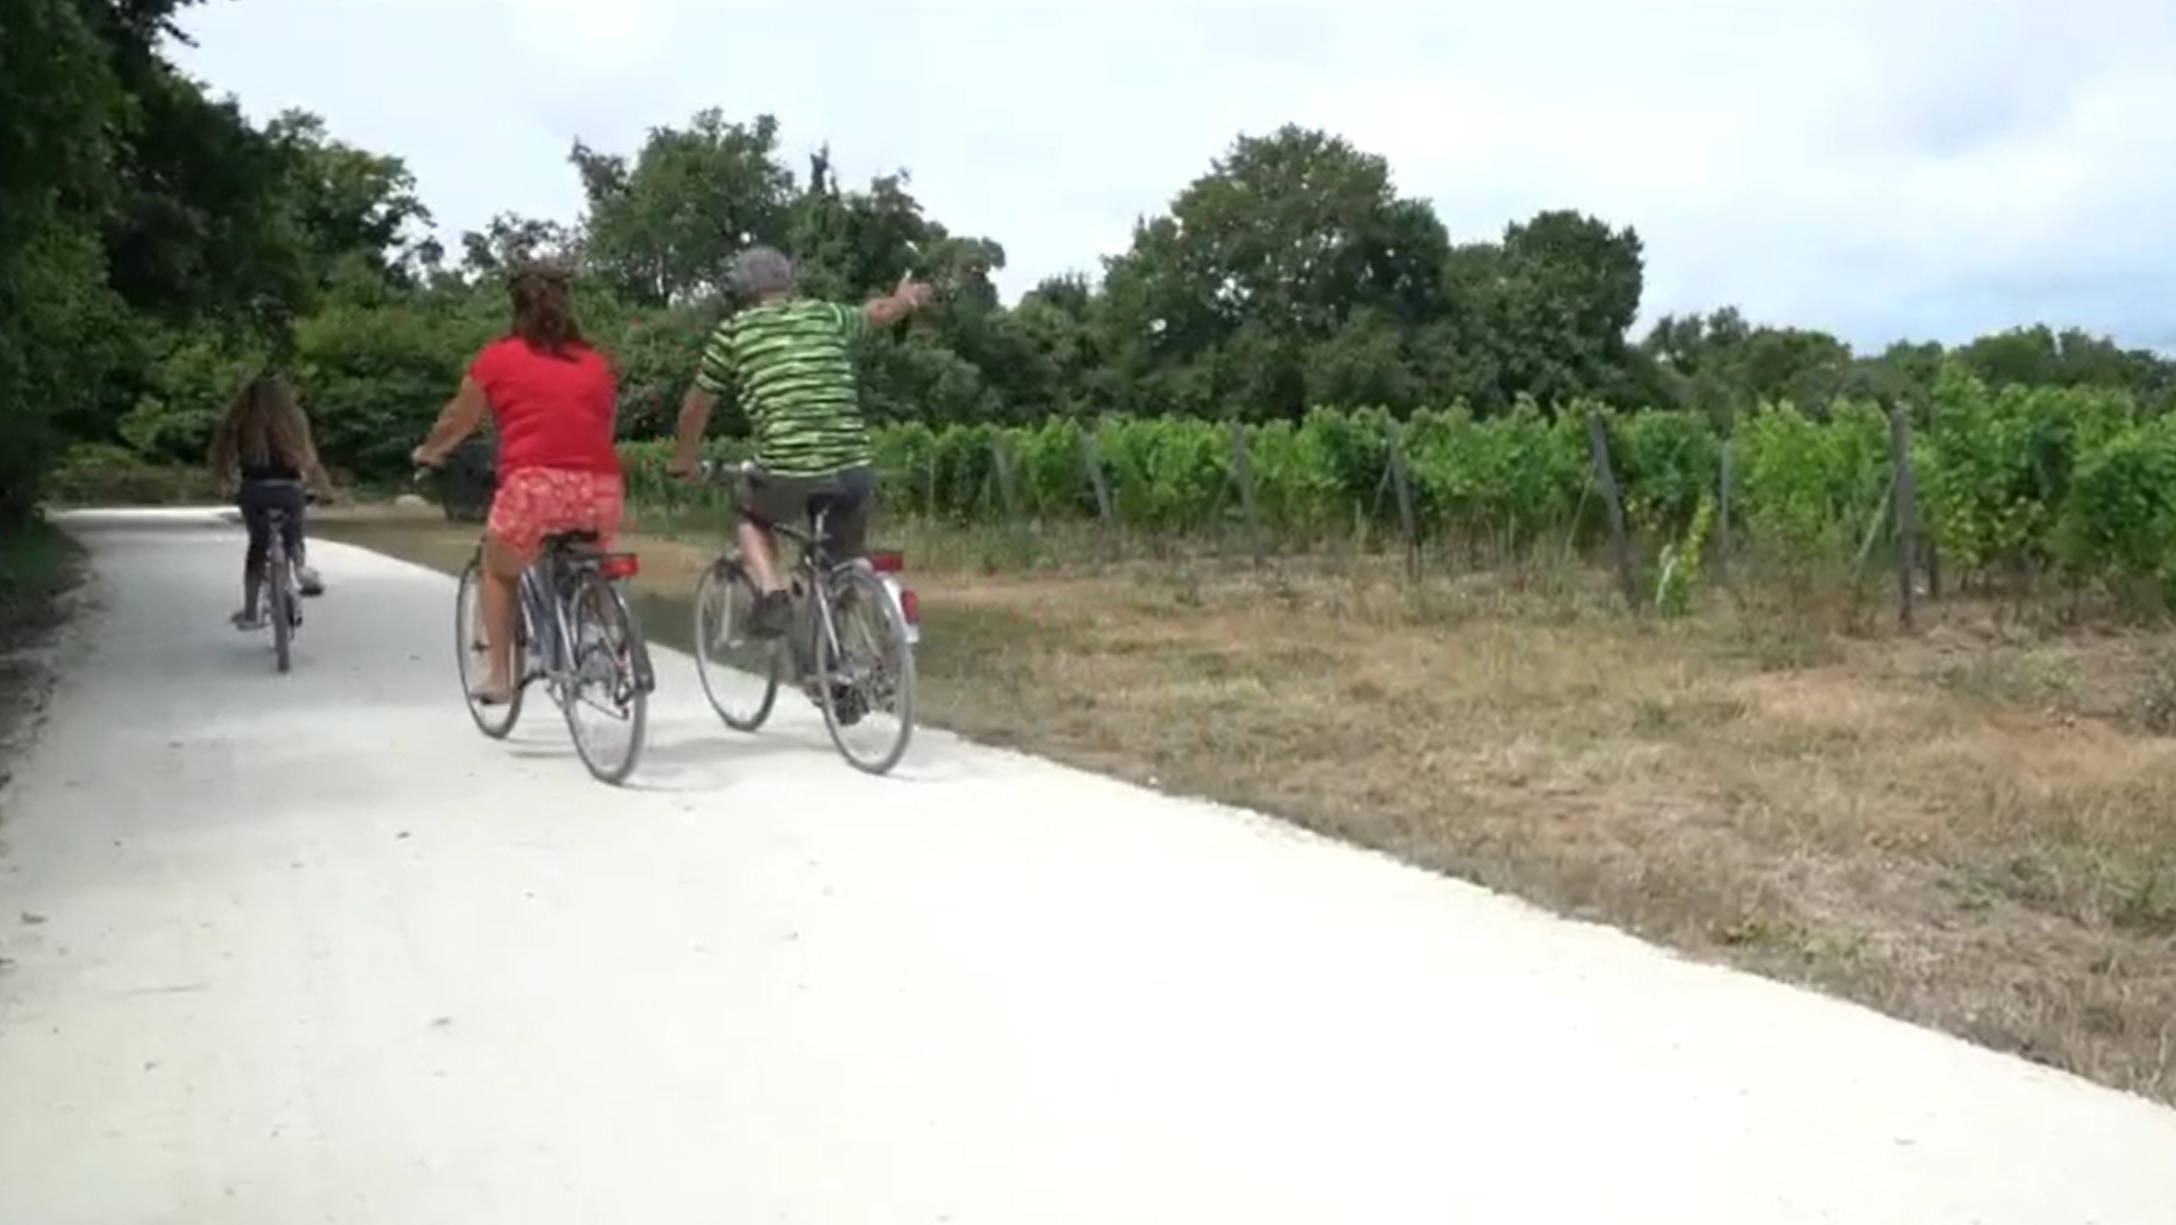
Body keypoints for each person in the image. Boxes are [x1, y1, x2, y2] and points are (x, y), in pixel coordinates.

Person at [665, 246, 934, 639]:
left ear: (742, 288)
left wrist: (683, 460)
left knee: (751, 517)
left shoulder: (735, 332)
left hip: (788, 468)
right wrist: (905, 300)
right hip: (853, 468)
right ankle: (839, 660)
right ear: (789, 280)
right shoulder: (824, 314)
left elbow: (697, 405)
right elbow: (877, 313)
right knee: (837, 565)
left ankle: (772, 595)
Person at [412, 261, 625, 706]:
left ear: (515, 306)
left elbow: (458, 420)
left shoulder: (497, 358)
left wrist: (431, 451)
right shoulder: (597, 362)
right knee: (591, 557)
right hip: (601, 486)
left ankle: (499, 677)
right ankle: (608, 642)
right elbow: (604, 425)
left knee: (497, 568)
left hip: (534, 487)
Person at [207, 369, 335, 629]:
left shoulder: (240, 421)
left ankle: (251, 614)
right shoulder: (294, 420)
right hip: (289, 489)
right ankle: (300, 568)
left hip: (254, 490)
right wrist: (325, 491)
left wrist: (224, 483)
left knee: (258, 546)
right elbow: (310, 460)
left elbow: (223, 459)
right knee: (293, 533)